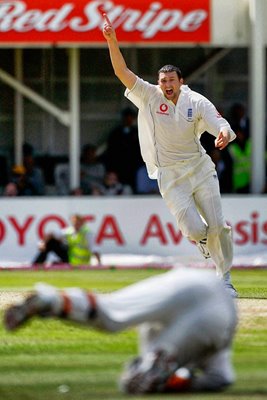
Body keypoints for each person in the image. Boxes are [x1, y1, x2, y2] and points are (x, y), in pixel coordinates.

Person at [102, 14, 237, 296]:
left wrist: (223, 132)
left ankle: (224, 280)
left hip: (200, 168)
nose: (166, 85)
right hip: (171, 176)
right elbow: (121, 72)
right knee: (195, 230)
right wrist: (112, 41)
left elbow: (216, 120)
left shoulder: (194, 100)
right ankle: (202, 243)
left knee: (218, 226)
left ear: (180, 81)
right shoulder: (150, 96)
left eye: (171, 80)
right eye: (163, 80)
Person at [4, 267, 237, 394]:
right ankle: (155, 369)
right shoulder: (204, 356)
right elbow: (221, 379)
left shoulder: (149, 338)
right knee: (150, 365)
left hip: (185, 279)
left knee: (110, 312)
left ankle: (54, 300)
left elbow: (222, 377)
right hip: (217, 311)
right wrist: (183, 384)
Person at [32, 214, 101, 266]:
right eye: (74, 222)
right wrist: (42, 243)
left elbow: (94, 249)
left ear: (82, 223)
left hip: (82, 262)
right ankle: (36, 265)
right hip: (70, 258)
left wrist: (99, 263)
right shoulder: (69, 231)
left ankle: (58, 264)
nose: (76, 224)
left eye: (78, 222)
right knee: (51, 242)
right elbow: (51, 233)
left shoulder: (87, 233)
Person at [103, 106, 143, 193]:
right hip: (118, 166)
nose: (128, 120)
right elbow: (111, 151)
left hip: (134, 166)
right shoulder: (116, 133)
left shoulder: (138, 132)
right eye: (126, 117)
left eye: (130, 118)